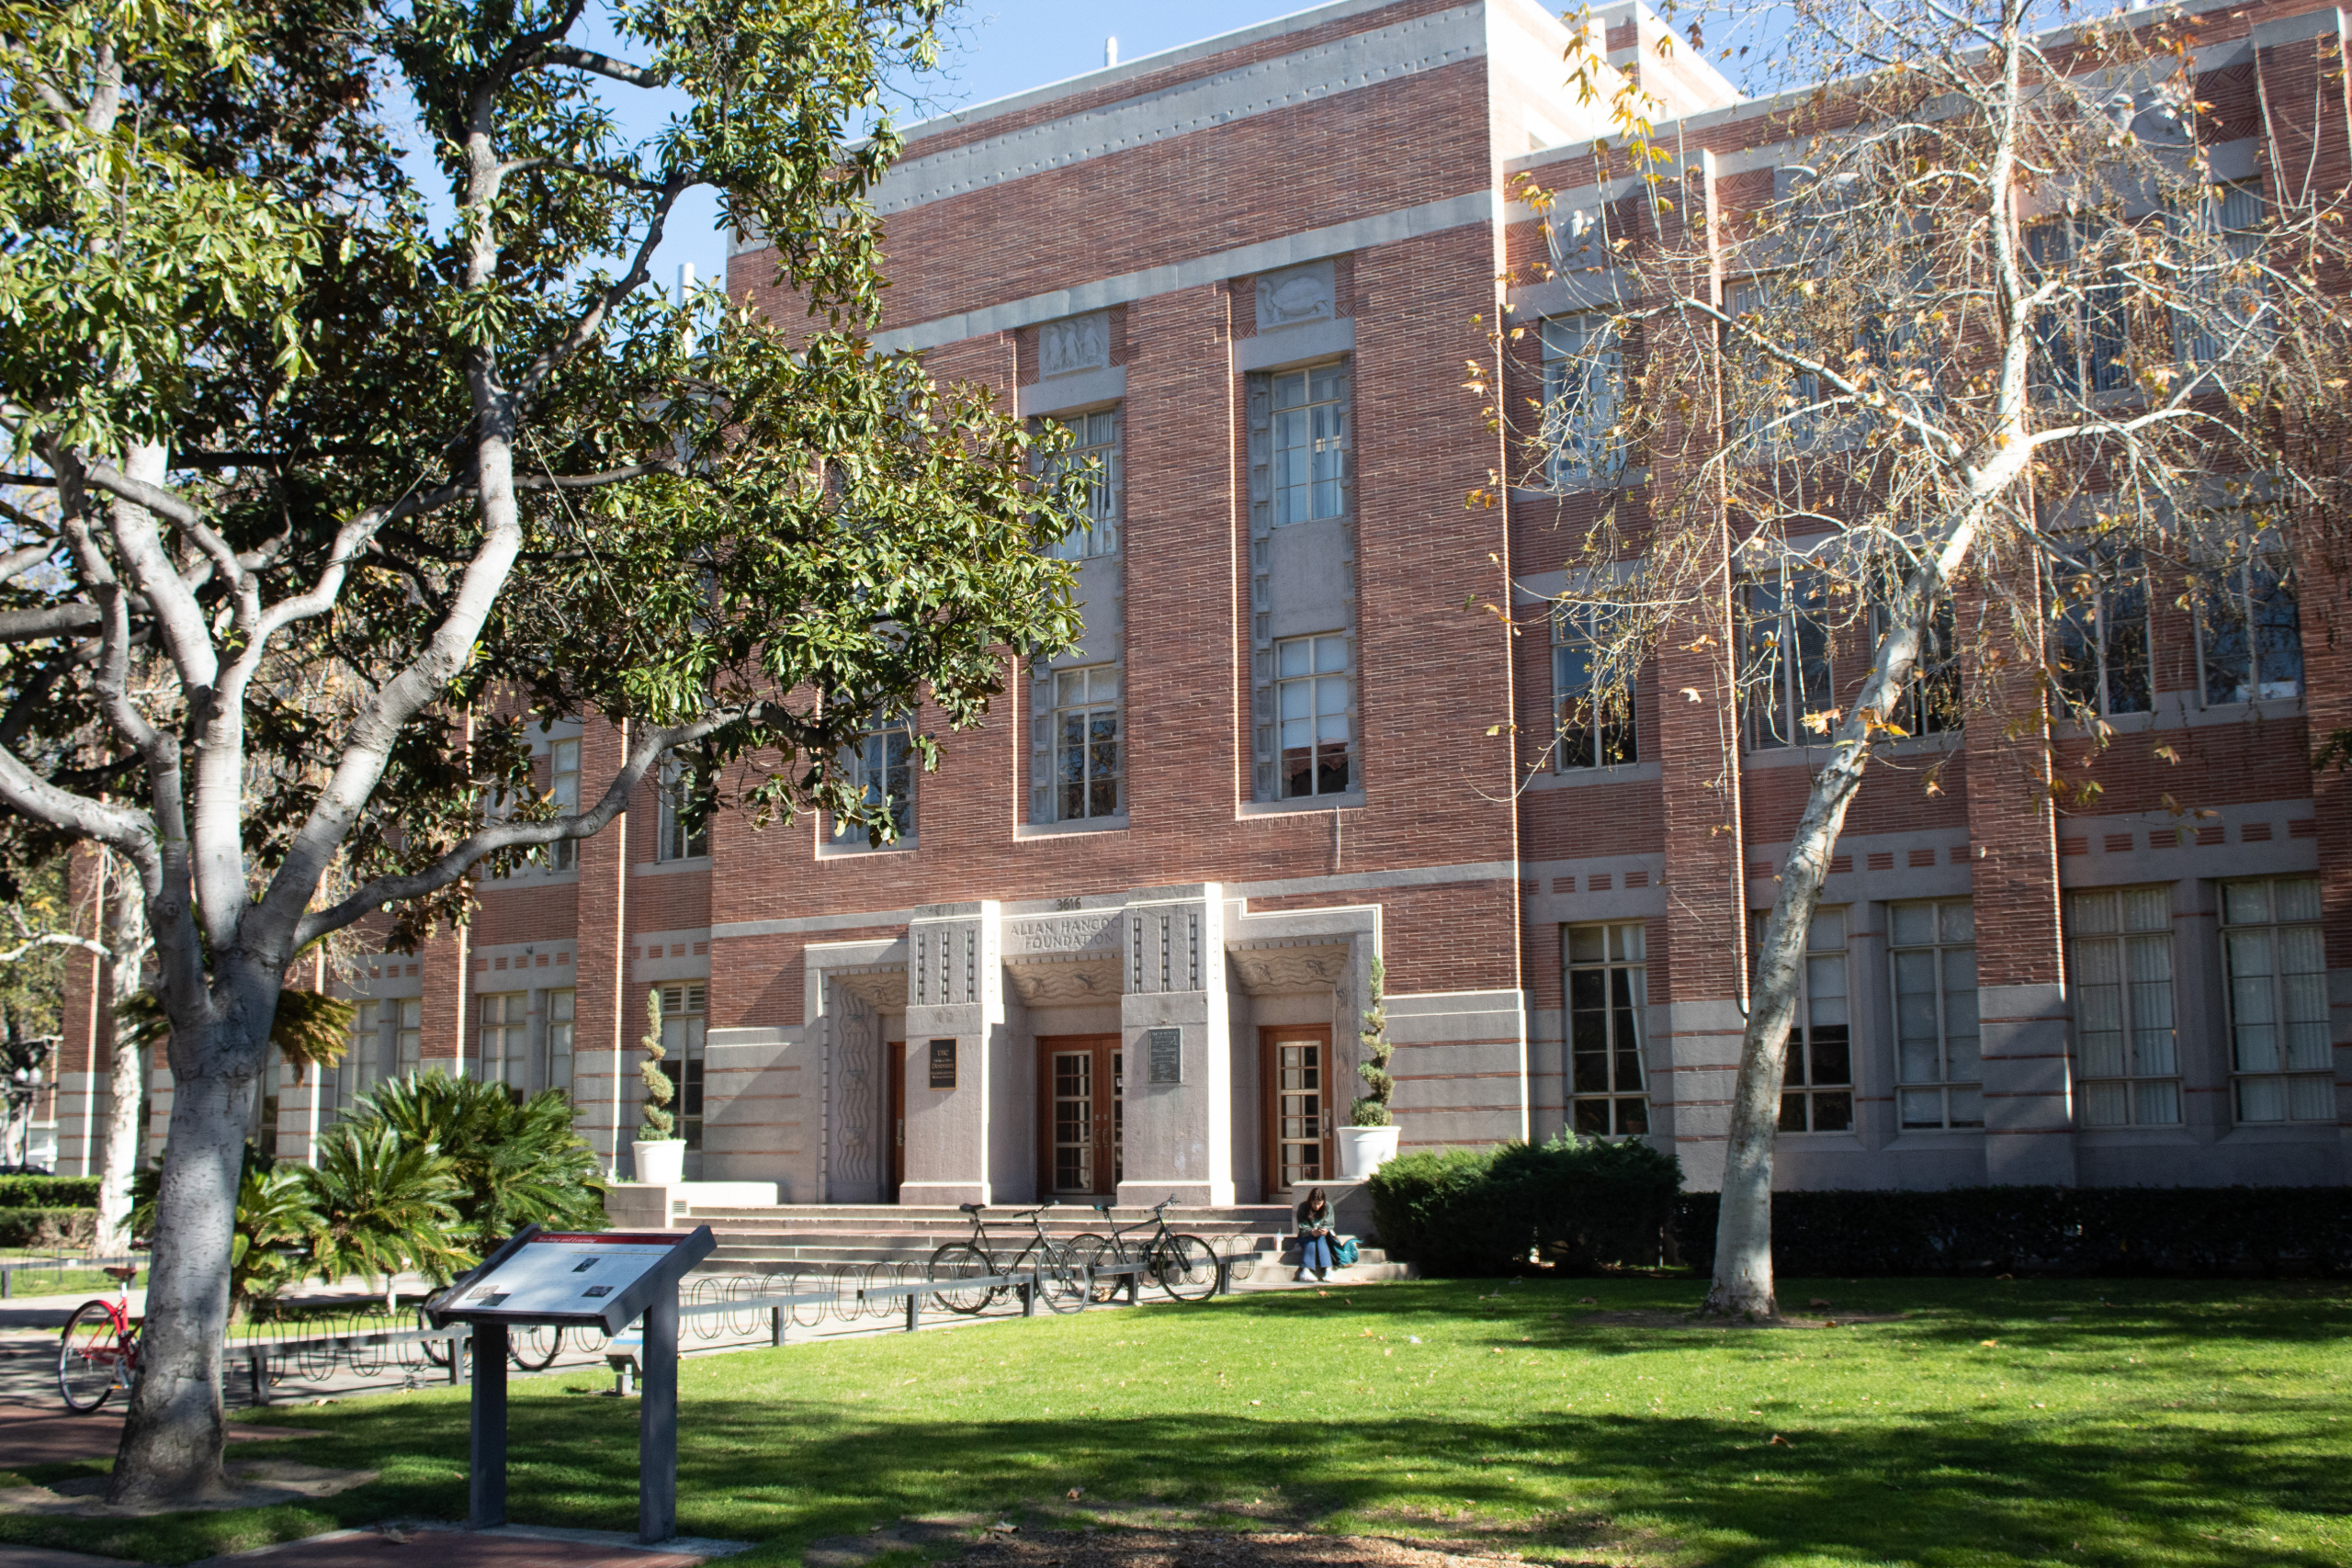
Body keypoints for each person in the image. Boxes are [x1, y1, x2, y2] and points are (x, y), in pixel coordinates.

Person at [1295, 1187, 1340, 1281]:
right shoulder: (1303, 1207)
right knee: (1311, 1239)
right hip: (1306, 1235)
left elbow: (1329, 1224)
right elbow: (1302, 1227)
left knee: (1321, 1238)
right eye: (1314, 1203)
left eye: (1320, 1203)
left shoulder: (1328, 1207)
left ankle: (1328, 1270)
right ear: (1310, 1201)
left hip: (1322, 1237)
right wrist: (1311, 1231)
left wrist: (1325, 1230)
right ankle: (1306, 1271)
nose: (1317, 1206)